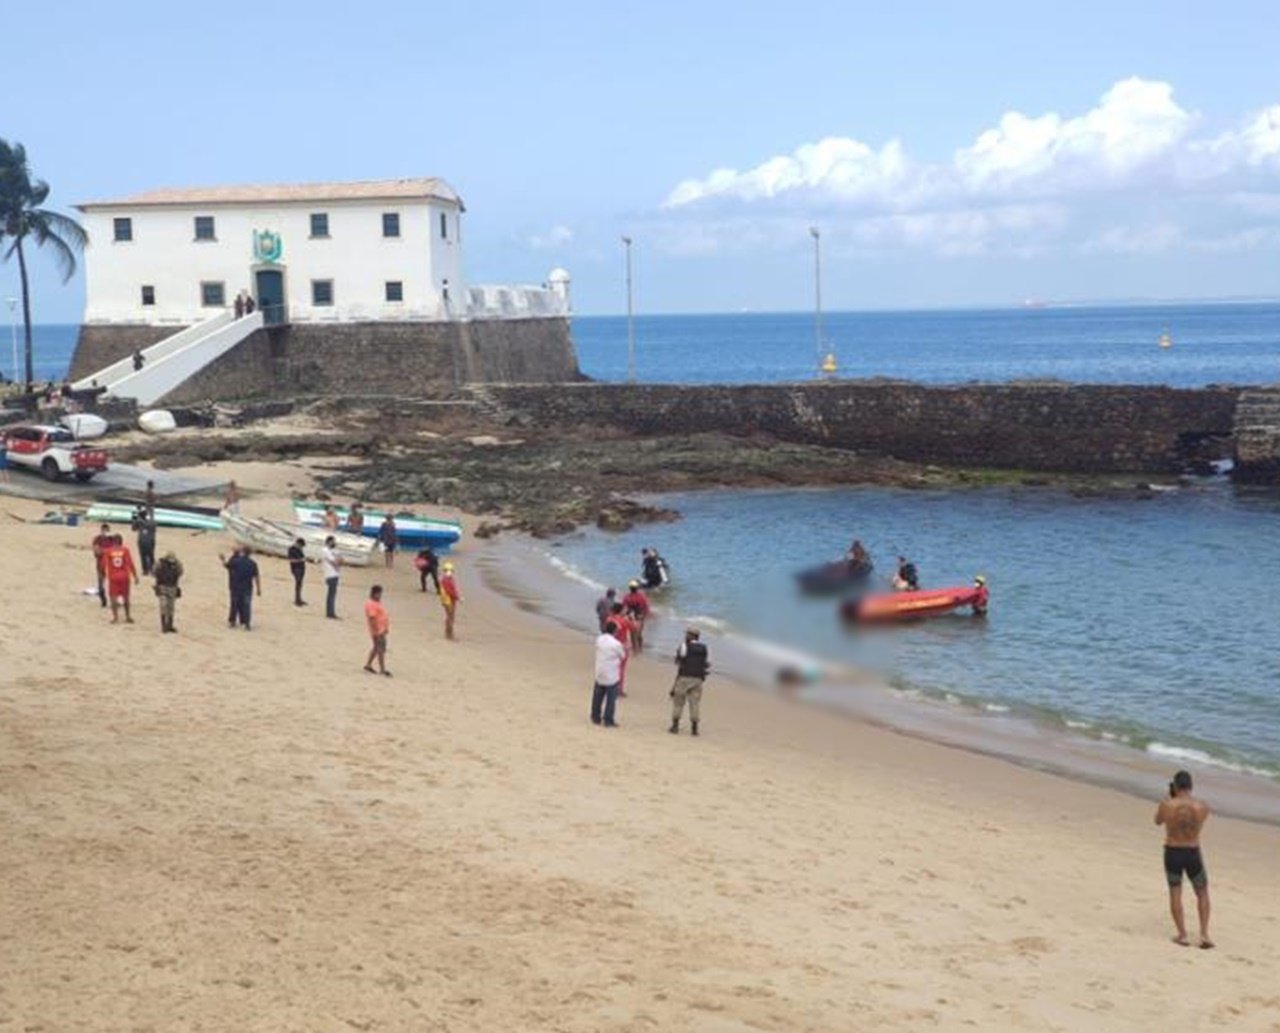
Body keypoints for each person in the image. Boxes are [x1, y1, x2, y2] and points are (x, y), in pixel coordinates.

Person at [1155, 770, 1213, 949]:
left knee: (1175, 891)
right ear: (1191, 786)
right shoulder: (1202, 806)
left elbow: (1158, 821)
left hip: (1173, 852)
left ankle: (1182, 935)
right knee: (1202, 892)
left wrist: (1168, 799)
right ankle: (1204, 934)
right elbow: (1197, 823)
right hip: (1192, 852)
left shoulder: (1167, 804)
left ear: (1176, 786)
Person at [669, 628, 711, 736]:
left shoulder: (684, 646)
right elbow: (706, 663)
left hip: (684, 677)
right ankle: (694, 729)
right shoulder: (704, 648)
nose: (686, 636)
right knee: (695, 703)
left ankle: (675, 726)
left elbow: (678, 661)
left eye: (687, 634)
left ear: (691, 636)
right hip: (698, 679)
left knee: (678, 702)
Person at [591, 625, 627, 728]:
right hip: (611, 674)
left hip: (600, 671)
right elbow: (622, 656)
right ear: (615, 631)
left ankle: (595, 716)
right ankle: (608, 720)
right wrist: (625, 648)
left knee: (597, 697)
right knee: (611, 699)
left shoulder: (600, 639)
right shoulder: (616, 644)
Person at [220, 545, 261, 630]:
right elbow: (256, 577)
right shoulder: (253, 563)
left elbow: (227, 566)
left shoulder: (236, 561)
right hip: (247, 587)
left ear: (242, 552)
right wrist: (258, 589)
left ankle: (232, 622)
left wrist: (222, 559)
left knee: (234, 604)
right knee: (246, 605)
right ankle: (246, 623)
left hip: (235, 586)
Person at [102, 534, 139, 624]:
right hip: (124, 576)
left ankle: (115, 618)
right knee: (126, 597)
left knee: (113, 597)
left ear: (113, 542)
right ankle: (128, 616)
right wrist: (135, 576)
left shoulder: (108, 551)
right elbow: (130, 563)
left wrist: (103, 575)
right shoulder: (125, 550)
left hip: (113, 577)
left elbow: (104, 565)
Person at [363, 585, 392, 676]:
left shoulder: (374, 603)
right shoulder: (372, 604)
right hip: (378, 630)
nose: (380, 596)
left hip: (380, 629)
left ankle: (368, 664)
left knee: (376, 648)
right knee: (381, 649)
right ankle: (382, 669)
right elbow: (372, 618)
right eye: (379, 594)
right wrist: (377, 631)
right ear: (375, 594)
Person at [152, 551, 184, 634]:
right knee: (163, 606)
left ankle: (169, 625)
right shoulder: (160, 563)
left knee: (170, 607)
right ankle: (164, 626)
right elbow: (154, 572)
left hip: (172, 587)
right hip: (163, 586)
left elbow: (181, 572)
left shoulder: (177, 564)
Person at [622, 580, 650, 651]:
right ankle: (639, 648)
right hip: (639, 617)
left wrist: (622, 616)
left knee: (632, 634)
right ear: (637, 588)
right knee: (638, 634)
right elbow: (646, 608)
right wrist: (645, 615)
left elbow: (625, 609)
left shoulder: (627, 597)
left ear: (630, 588)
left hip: (631, 617)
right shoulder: (641, 597)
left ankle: (635, 648)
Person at [91, 522, 113, 607]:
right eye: (104, 530)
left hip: (111, 566)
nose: (105, 532)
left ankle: (112, 600)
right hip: (101, 565)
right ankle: (103, 600)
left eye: (106, 531)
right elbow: (97, 552)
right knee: (101, 585)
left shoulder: (112, 539)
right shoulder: (97, 539)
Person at [132, 504, 157, 576]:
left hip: (143, 541)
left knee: (144, 556)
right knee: (150, 555)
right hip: (149, 541)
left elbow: (133, 528)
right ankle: (150, 570)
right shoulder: (152, 522)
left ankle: (146, 570)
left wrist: (135, 518)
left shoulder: (140, 522)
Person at [439, 560, 461, 640]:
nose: (450, 572)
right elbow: (450, 591)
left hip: (446, 599)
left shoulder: (445, 578)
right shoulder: (447, 579)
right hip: (448, 600)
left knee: (449, 616)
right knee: (450, 617)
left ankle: (448, 633)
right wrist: (458, 597)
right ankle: (450, 634)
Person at [321, 536, 342, 618]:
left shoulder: (331, 551)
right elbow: (335, 562)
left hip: (334, 573)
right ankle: (330, 612)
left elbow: (340, 560)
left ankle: (330, 612)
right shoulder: (326, 551)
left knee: (332, 594)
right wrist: (338, 560)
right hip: (331, 574)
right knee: (331, 594)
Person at [288, 537, 307, 606]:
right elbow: (291, 560)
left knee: (300, 584)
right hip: (296, 569)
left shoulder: (300, 550)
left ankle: (299, 598)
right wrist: (301, 560)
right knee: (298, 583)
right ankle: (297, 600)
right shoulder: (292, 549)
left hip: (301, 568)